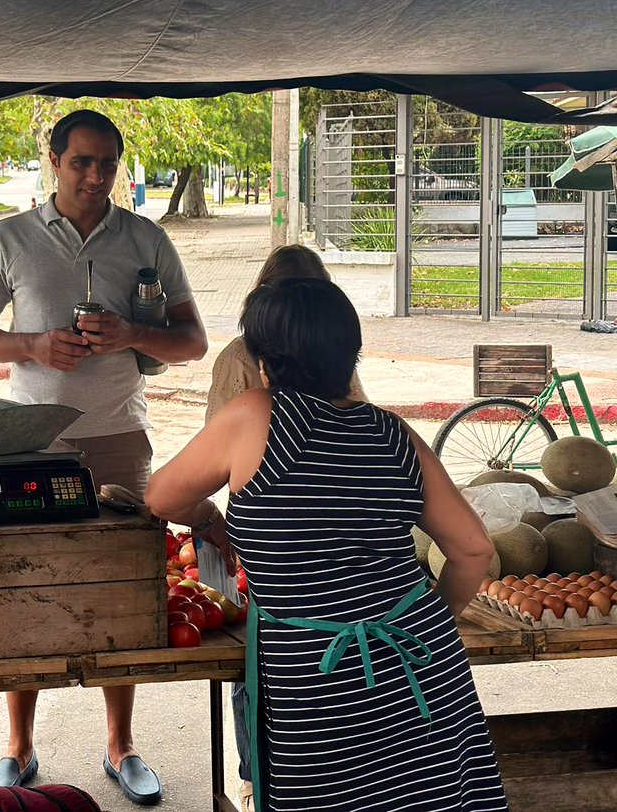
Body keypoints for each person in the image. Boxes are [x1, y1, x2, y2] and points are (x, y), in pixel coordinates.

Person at [145, 278, 508, 812]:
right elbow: (473, 549)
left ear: (266, 359)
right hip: (421, 665)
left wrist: (210, 518)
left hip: (316, 679)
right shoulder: (394, 433)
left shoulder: (256, 415)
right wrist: (428, 620)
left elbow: (161, 496)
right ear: (349, 355)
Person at [0, 109, 208, 806]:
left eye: (107, 164)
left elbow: (191, 341)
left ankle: (121, 743)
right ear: (54, 158)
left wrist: (133, 331)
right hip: (34, 439)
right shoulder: (9, 237)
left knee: (123, 586)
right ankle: (17, 743)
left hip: (120, 437)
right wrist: (34, 347)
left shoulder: (146, 237)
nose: (95, 176)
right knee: (25, 583)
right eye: (82, 162)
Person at [204, 245, 367, 812]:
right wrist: (217, 527)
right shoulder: (243, 369)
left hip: (333, 545)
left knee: (318, 671)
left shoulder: (332, 365)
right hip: (270, 544)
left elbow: (356, 425)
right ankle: (255, 776)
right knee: (260, 666)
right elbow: (204, 470)